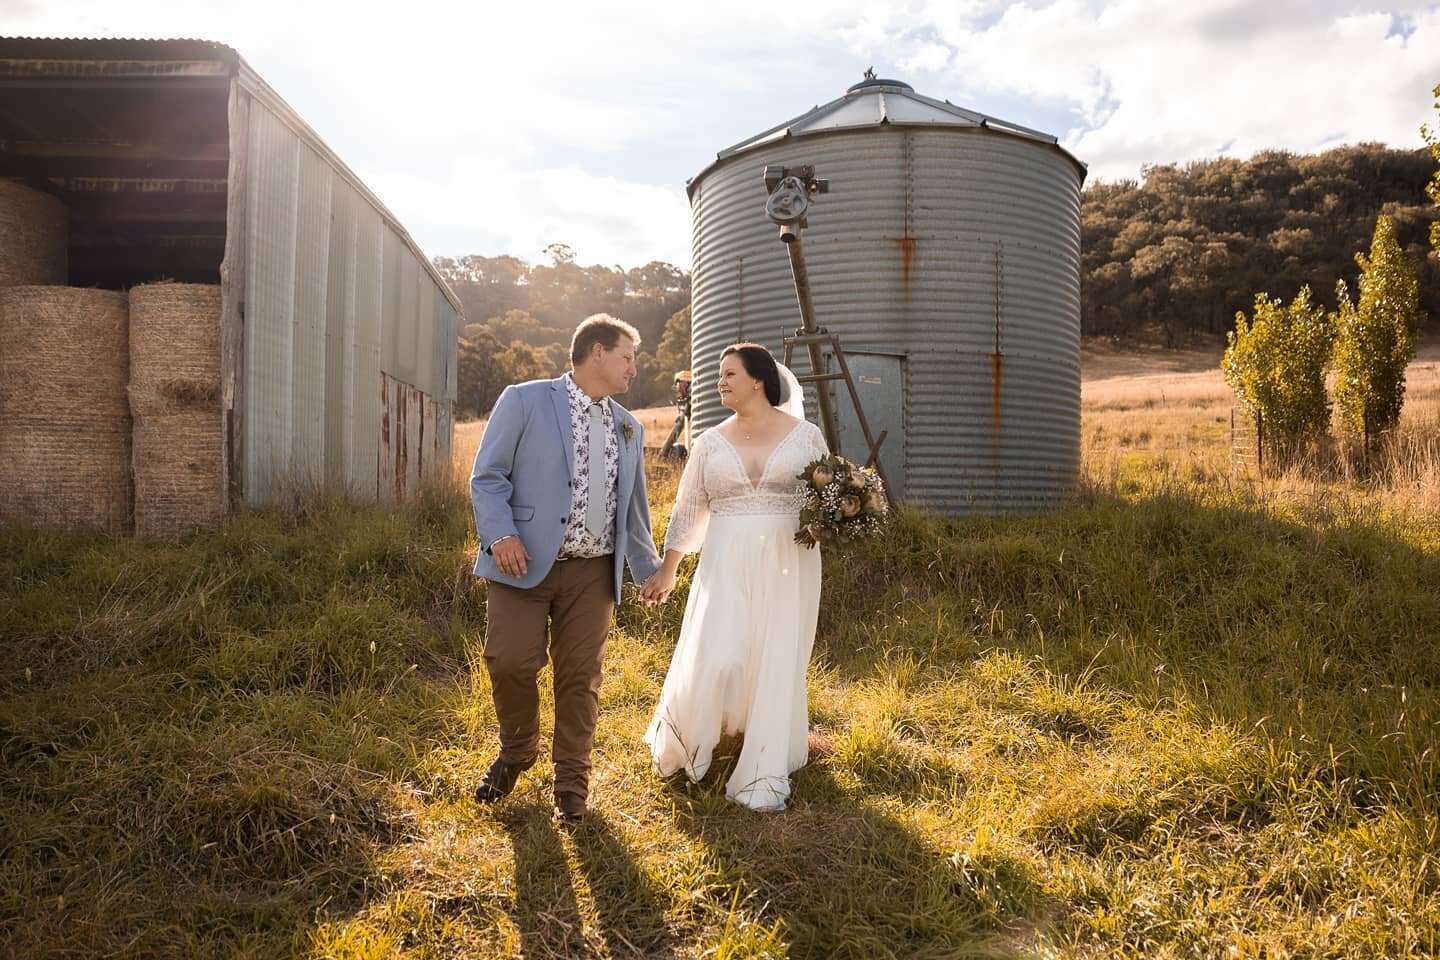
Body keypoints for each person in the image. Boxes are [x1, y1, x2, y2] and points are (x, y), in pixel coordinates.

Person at [469, 313, 664, 823]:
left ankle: (571, 785)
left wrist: (648, 571)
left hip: (592, 574)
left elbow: (634, 508)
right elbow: (487, 477)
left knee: (581, 678)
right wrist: (501, 535)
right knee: (510, 663)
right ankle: (517, 752)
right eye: (628, 357)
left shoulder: (629, 425)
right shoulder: (524, 399)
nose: (633, 369)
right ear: (597, 352)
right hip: (521, 562)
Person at [639, 343, 828, 811]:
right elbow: (689, 510)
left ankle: (762, 754)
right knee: (720, 651)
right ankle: (695, 744)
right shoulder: (708, 442)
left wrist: (835, 518)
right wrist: (669, 567)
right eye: (719, 375)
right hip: (724, 558)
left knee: (773, 651)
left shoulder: (807, 437)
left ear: (758, 380)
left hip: (789, 560)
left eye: (729, 374)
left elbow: (825, 497)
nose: (719, 383)